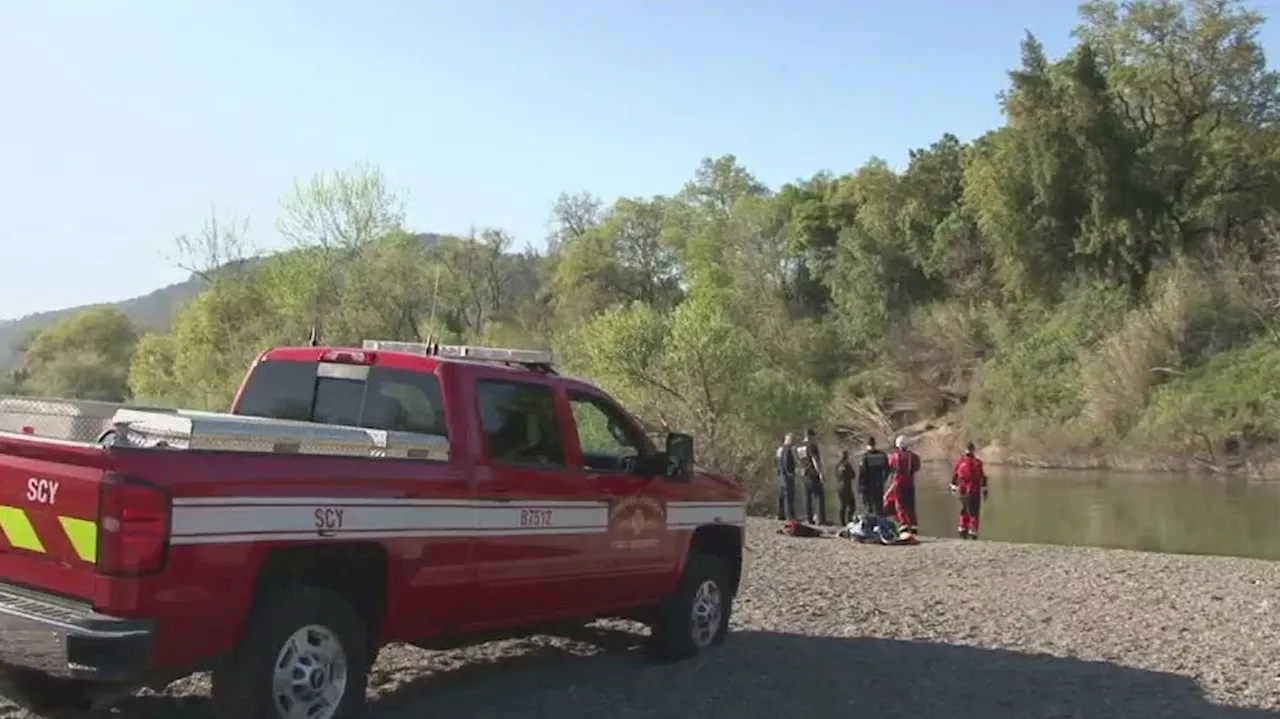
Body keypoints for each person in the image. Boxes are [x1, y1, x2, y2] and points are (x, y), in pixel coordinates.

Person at [951, 441, 988, 539]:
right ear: (973, 450)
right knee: (974, 511)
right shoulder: (978, 463)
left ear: (965, 450)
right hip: (974, 490)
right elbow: (983, 477)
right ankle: (973, 530)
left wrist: (953, 486)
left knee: (964, 509)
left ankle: (962, 528)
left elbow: (955, 475)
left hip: (962, 490)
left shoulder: (960, 461)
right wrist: (985, 491)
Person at [884, 434, 920, 534]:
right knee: (910, 504)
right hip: (910, 482)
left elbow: (889, 467)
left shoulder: (893, 457)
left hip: (898, 483)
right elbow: (917, 467)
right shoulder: (914, 457)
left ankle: (903, 523)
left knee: (900, 504)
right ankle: (913, 525)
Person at [794, 428, 827, 524]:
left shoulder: (799, 448)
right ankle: (821, 519)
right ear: (811, 436)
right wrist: (820, 473)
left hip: (804, 473)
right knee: (819, 496)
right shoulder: (812, 446)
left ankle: (809, 519)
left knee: (807, 497)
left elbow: (799, 461)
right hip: (813, 473)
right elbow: (815, 460)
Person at [856, 436, 890, 518]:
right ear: (875, 444)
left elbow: (862, 473)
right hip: (879, 483)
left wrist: (860, 486)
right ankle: (880, 522)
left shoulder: (865, 457)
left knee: (869, 506)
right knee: (879, 505)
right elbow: (887, 470)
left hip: (868, 485)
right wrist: (883, 479)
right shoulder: (882, 455)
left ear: (867, 445)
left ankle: (871, 523)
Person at [775, 433, 798, 520]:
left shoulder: (780, 449)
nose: (793, 441)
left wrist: (779, 472)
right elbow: (785, 461)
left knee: (781, 496)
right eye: (791, 439)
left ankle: (780, 514)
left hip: (781, 475)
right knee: (789, 495)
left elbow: (778, 463)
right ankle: (790, 515)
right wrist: (790, 473)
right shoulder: (787, 449)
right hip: (787, 476)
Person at [835, 449, 857, 525]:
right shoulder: (847, 465)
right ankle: (849, 519)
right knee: (852, 505)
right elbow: (853, 475)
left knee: (843, 505)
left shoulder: (838, 465)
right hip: (847, 487)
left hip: (839, 487)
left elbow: (836, 475)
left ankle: (842, 522)